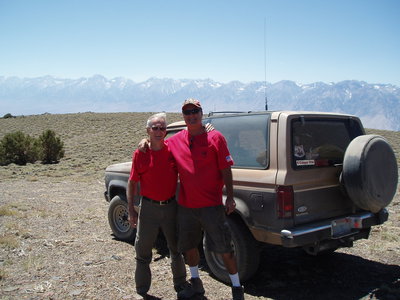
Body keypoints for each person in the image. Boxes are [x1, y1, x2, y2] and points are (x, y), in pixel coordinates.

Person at [165, 99, 244, 300]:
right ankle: (196, 283)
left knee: (224, 248)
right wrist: (145, 142)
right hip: (186, 206)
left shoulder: (215, 137)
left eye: (195, 112)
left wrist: (231, 197)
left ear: (202, 113)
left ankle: (237, 288)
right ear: (183, 116)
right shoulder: (175, 140)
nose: (191, 116)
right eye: (187, 112)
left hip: (211, 205)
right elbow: (158, 146)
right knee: (189, 246)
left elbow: (226, 169)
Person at [127, 112, 187, 299]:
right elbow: (132, 182)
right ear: (148, 130)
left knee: (176, 249)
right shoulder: (141, 153)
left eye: (162, 128)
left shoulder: (173, 150)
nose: (159, 131)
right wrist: (131, 210)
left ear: (166, 131)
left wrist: (208, 128)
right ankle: (142, 290)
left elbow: (190, 134)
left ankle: (181, 285)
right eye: (155, 128)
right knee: (143, 251)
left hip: (170, 206)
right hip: (149, 208)